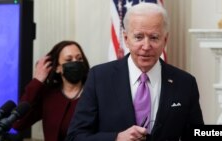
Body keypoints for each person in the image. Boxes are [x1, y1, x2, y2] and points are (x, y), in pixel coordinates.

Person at [66, 3, 204, 141]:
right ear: (126, 39)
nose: (146, 46)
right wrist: (116, 138)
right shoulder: (99, 78)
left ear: (165, 40)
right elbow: (75, 137)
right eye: (138, 37)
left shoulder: (185, 83)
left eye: (154, 37)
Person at [13, 40, 90, 141]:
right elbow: (18, 124)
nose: (75, 62)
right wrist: (37, 82)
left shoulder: (94, 93)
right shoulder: (48, 95)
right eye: (69, 59)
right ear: (58, 68)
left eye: (79, 59)